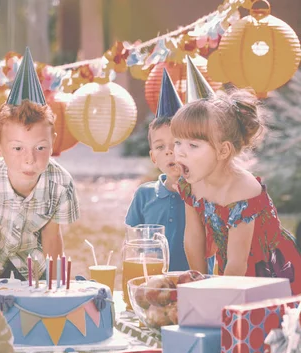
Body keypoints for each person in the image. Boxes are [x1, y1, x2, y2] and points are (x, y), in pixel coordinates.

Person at [0, 48, 80, 293]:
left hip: (32, 267)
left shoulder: (60, 183)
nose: (29, 160)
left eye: (40, 148)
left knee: (36, 316)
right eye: (17, 148)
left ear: (53, 141)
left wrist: (54, 289)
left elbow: (52, 237)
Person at [173, 88, 301, 295]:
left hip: (272, 272)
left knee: (259, 322)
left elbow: (238, 262)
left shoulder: (243, 190)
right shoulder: (192, 182)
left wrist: (214, 298)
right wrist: (197, 284)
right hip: (231, 272)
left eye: (193, 145)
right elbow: (193, 236)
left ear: (223, 151)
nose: (179, 151)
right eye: (178, 141)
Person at [126, 70, 190, 272]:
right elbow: (132, 243)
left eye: (177, 143)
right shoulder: (144, 195)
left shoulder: (202, 194)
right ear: (154, 157)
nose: (170, 151)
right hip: (153, 283)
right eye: (161, 147)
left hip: (193, 281)